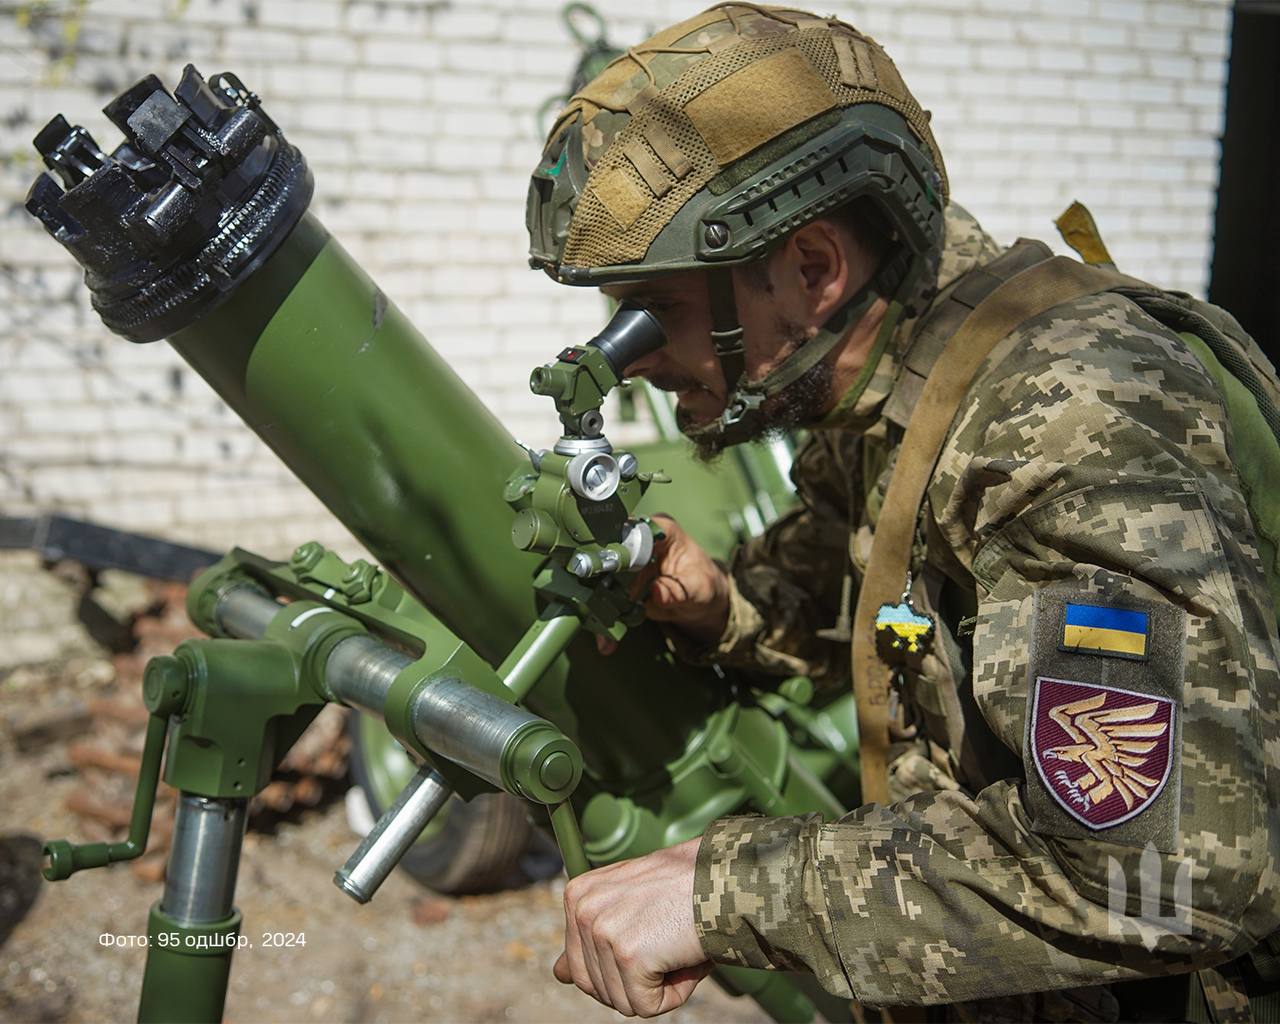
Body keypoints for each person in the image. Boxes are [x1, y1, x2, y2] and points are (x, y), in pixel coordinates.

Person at [524, 4, 1280, 1020]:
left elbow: (1161, 875)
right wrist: (719, 606)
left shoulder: (1064, 417)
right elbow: (870, 595)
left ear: (811, 267)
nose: (635, 355)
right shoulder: (893, 377)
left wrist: (719, 891)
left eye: (657, 309)